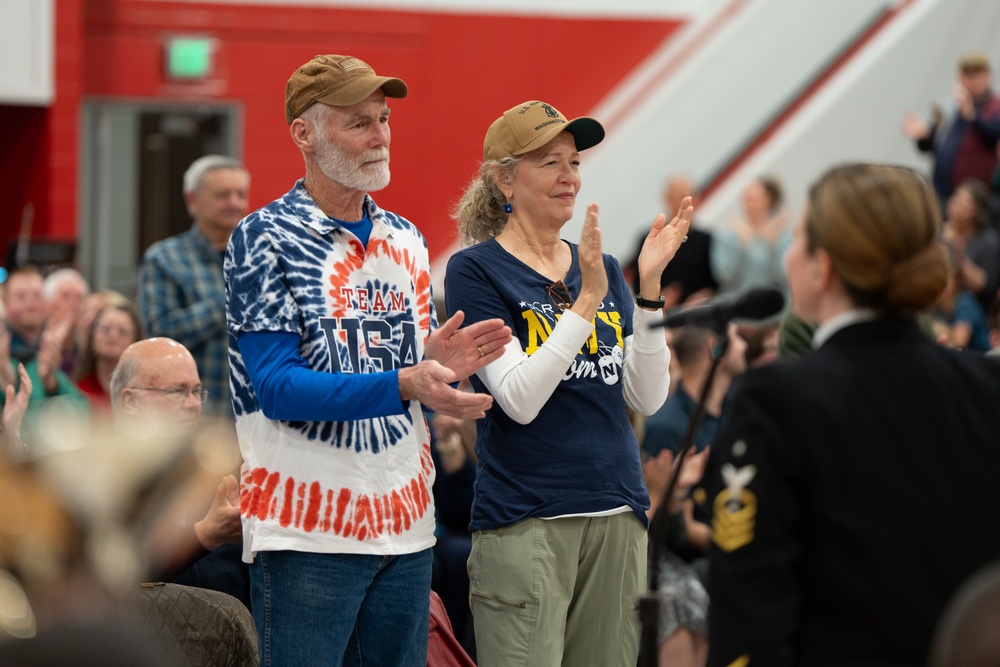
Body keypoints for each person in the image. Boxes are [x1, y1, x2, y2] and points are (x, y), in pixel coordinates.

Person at [224, 53, 511, 666]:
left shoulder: (407, 238)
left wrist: (436, 364)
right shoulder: (262, 236)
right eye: (358, 122)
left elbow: (404, 372)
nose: (380, 134)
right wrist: (406, 381)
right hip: (306, 529)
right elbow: (276, 386)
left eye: (383, 119)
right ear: (304, 133)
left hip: (407, 525)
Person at [704, 163, 1000, 666]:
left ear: (823, 268)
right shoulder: (987, 388)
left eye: (797, 238)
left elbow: (751, 611)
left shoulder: (778, 400)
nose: (789, 256)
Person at [444, 99, 691, 667]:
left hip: (617, 510)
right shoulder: (476, 270)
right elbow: (519, 400)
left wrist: (648, 292)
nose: (569, 177)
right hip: (527, 518)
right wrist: (584, 304)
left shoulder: (595, 265)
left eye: (574, 162)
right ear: (503, 178)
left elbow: (646, 396)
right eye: (549, 162)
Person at [110, 337, 248, 609]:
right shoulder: (102, 475)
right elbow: (114, 575)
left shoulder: (211, 466)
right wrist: (205, 536)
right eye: (177, 391)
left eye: (197, 392)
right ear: (131, 401)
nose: (194, 404)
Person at [641, 324, 746, 667]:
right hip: (683, 550)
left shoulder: (739, 414)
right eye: (738, 337)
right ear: (714, 348)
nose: (746, 344)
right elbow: (677, 531)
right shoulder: (669, 426)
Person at [137, 155, 250, 417]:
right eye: (223, 195)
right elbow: (161, 337)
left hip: (256, 419)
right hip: (192, 419)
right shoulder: (164, 259)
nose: (234, 203)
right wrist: (234, 300)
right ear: (192, 200)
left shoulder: (260, 258)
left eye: (240, 194)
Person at [902, 49, 1000, 206]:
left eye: (976, 75)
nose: (972, 81)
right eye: (967, 75)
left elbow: (994, 135)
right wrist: (923, 136)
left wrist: (973, 117)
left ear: (988, 77)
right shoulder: (947, 108)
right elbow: (930, 147)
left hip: (979, 201)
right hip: (942, 194)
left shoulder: (995, 107)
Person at [627, 174, 718, 308]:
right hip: (661, 314)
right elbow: (638, 283)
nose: (685, 203)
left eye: (690, 196)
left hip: (698, 315)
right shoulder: (649, 238)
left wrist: (704, 296)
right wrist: (657, 297)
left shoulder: (707, 240)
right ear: (667, 198)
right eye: (680, 196)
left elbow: (716, 283)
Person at [709, 175, 791, 296]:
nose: (749, 204)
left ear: (768, 200)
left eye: (754, 199)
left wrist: (773, 245)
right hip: (737, 308)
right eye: (746, 199)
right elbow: (724, 277)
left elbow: (785, 278)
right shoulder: (728, 235)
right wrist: (741, 245)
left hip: (773, 307)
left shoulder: (782, 235)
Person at [942, 178, 1000, 312]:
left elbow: (985, 286)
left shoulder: (989, 242)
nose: (956, 206)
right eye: (956, 199)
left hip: (971, 309)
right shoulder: (940, 232)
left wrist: (961, 260)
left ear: (976, 212)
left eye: (964, 204)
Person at [74, 303, 144, 412]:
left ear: (135, 339)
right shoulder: (78, 391)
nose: (113, 336)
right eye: (105, 329)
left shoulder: (143, 394)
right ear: (93, 335)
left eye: (122, 332)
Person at [42, 267, 90, 375]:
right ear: (47, 303)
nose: (74, 304)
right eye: (65, 296)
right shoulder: (35, 340)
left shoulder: (89, 344)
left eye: (79, 298)